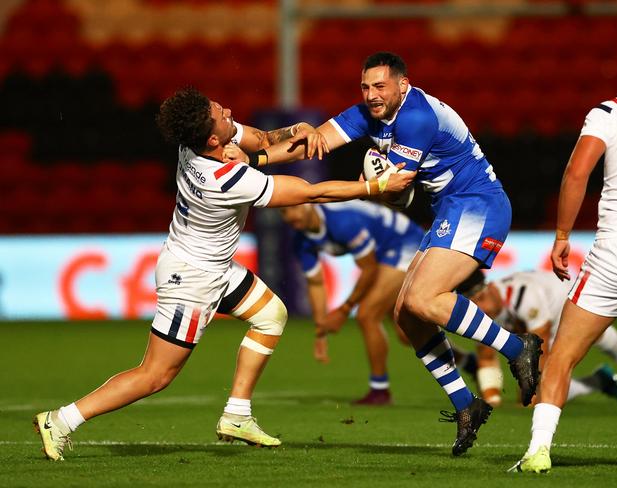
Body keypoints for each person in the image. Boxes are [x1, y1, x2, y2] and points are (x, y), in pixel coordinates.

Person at [32, 87, 413, 461]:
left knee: (270, 315)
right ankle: (61, 420)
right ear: (214, 138)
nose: (230, 110)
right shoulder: (225, 180)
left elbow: (264, 138)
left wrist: (297, 130)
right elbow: (308, 193)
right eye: (223, 114)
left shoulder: (194, 144)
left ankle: (236, 414)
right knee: (156, 375)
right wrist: (374, 186)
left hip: (213, 266)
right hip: (192, 279)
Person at [228, 52, 544, 456]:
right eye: (365, 86)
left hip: (477, 204)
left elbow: (395, 192)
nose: (372, 95)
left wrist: (377, 185)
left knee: (423, 299)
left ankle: (519, 348)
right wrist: (254, 160)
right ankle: (467, 405)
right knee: (406, 316)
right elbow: (315, 141)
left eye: (380, 86)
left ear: (403, 85)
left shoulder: (416, 118)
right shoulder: (369, 114)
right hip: (448, 210)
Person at [510, 33, 617, 474]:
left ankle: (538, 452)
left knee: (563, 355)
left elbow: (577, 173)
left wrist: (562, 235)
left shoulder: (609, 112)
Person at [280, 201, 478, 405]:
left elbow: (369, 268)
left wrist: (345, 309)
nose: (290, 215)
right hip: (385, 252)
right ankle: (469, 362)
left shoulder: (341, 221)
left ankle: (379, 389)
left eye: (294, 208)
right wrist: (321, 331)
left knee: (367, 314)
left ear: (310, 205)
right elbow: (316, 284)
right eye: (284, 211)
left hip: (406, 243)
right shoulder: (301, 240)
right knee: (407, 333)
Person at [457, 269, 617, 407]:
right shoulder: (482, 311)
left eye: (480, 299)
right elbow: (486, 355)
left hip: (565, 302)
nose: (480, 308)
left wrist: (528, 393)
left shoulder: (524, 297)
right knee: (547, 393)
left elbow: (539, 351)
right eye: (473, 303)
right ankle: (598, 382)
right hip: (542, 318)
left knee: (595, 339)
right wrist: (492, 400)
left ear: (490, 288)